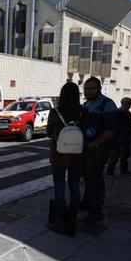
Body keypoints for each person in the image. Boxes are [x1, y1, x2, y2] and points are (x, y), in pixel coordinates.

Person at [46, 82, 88, 236]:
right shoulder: (83, 111)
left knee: (59, 187)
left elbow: (49, 132)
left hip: (59, 155)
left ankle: (59, 221)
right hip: (77, 155)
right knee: (75, 187)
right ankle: (72, 222)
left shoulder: (55, 112)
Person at [81, 77, 119, 224]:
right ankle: (87, 202)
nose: (88, 91)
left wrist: (96, 143)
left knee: (95, 177)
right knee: (87, 175)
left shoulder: (107, 104)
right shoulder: (87, 104)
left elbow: (111, 130)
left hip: (100, 148)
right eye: (86, 89)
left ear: (99, 89)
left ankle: (97, 210)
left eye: (92, 88)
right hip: (86, 147)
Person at [105, 97, 131, 178]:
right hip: (119, 138)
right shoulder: (120, 111)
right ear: (123, 103)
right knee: (115, 156)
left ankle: (124, 170)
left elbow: (130, 124)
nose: (130, 105)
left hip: (126, 138)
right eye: (128, 103)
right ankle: (109, 172)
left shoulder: (128, 112)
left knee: (125, 156)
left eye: (130, 103)